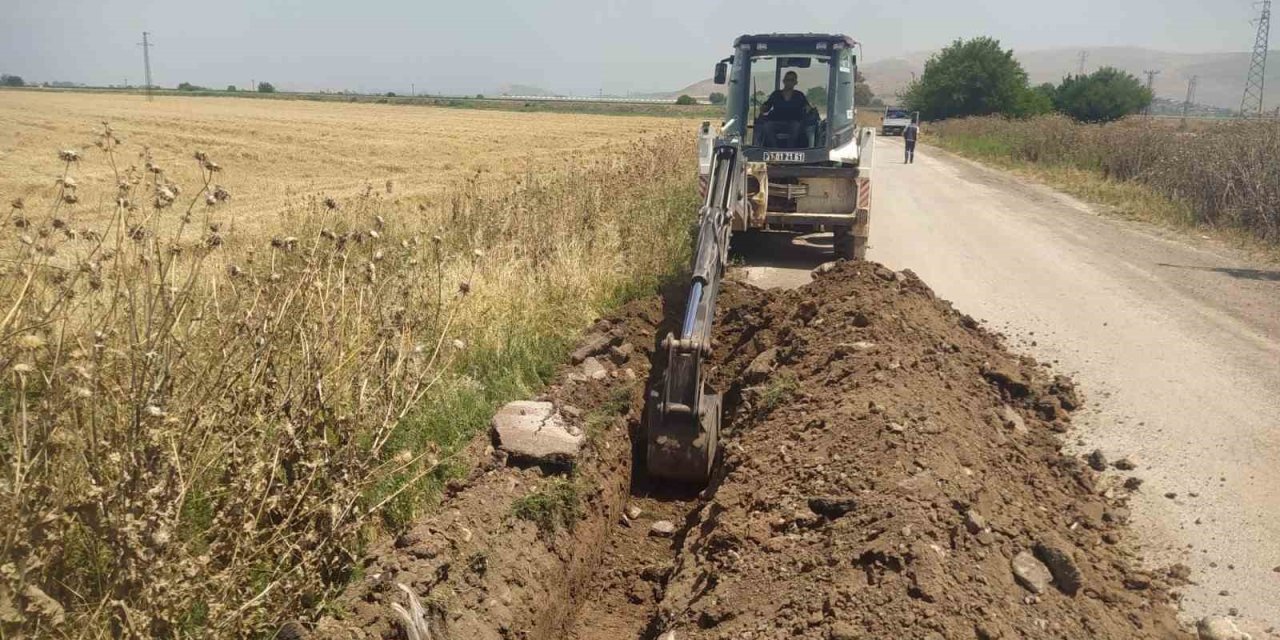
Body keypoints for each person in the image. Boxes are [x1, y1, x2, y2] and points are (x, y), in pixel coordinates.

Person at [759, 71, 814, 148]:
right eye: (787, 80)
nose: (789, 82)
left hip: (794, 122)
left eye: (792, 80)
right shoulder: (776, 94)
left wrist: (809, 110)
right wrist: (763, 108)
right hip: (777, 122)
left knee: (796, 126)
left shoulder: (799, 95)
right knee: (767, 126)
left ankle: (790, 149)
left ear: (795, 82)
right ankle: (774, 149)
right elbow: (766, 107)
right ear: (783, 81)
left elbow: (808, 108)